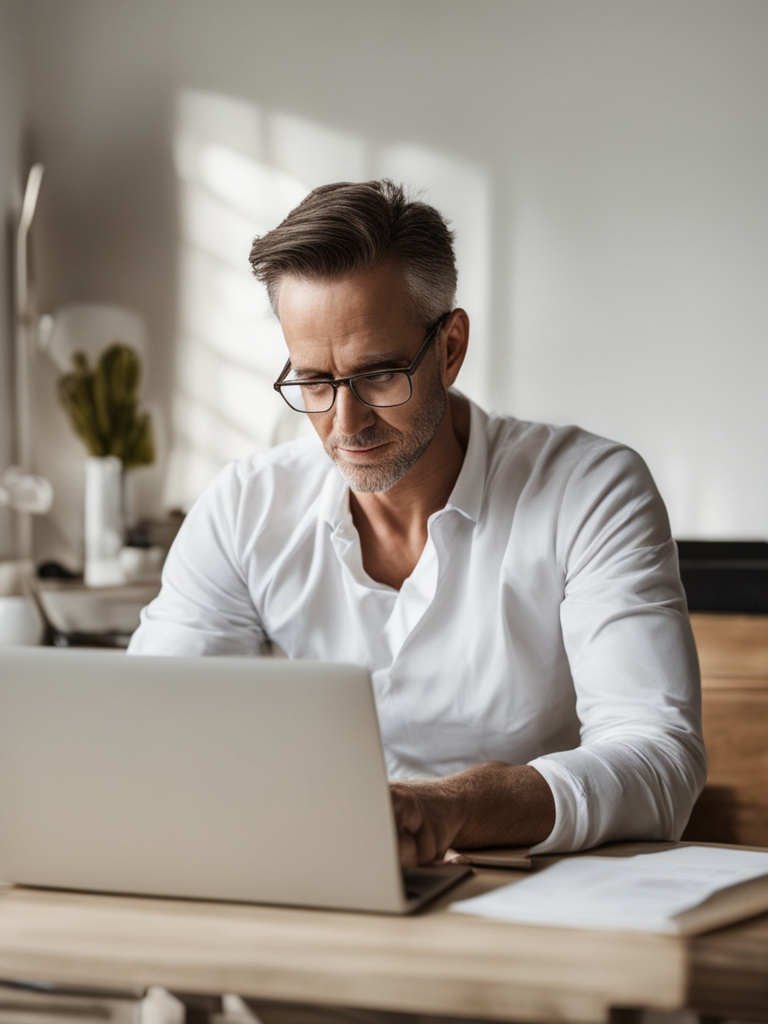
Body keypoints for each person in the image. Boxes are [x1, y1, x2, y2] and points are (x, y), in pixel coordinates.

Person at [128, 179, 705, 864]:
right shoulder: (246, 505)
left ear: (451, 347)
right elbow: (149, 727)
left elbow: (659, 761)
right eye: (314, 382)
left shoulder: (590, 490)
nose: (345, 425)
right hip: (328, 881)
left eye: (378, 375)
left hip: (538, 893)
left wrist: (453, 808)